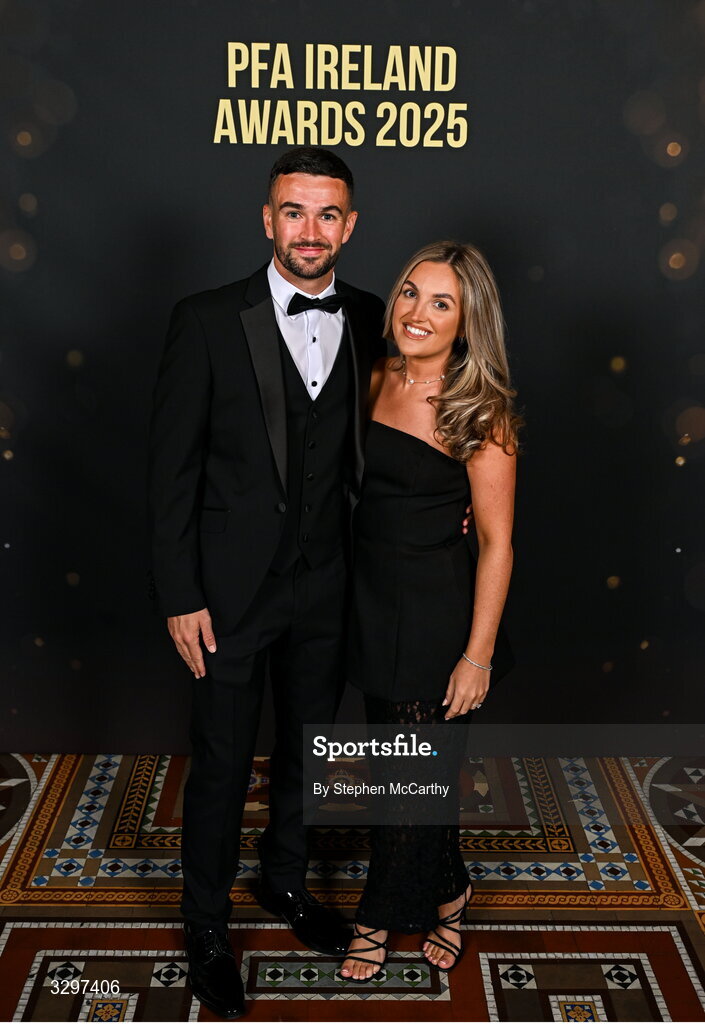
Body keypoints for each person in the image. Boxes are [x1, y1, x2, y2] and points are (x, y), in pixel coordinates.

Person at [148, 146, 385, 1019]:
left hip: (328, 585)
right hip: (225, 594)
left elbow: (387, 447)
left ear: (349, 226)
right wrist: (180, 591)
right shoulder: (206, 318)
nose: (310, 230)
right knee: (218, 764)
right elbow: (169, 472)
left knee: (307, 753)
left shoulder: (370, 317)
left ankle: (285, 884)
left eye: (327, 215)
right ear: (267, 219)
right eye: (294, 211)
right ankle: (204, 925)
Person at [339, 241, 520, 982]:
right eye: (411, 292)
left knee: (404, 782)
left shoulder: (482, 412)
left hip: (437, 615)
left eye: (440, 302)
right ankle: (450, 893)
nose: (417, 312)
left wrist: (475, 656)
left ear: (468, 320)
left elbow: (499, 543)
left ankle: (377, 918)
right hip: (368, 604)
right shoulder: (370, 375)